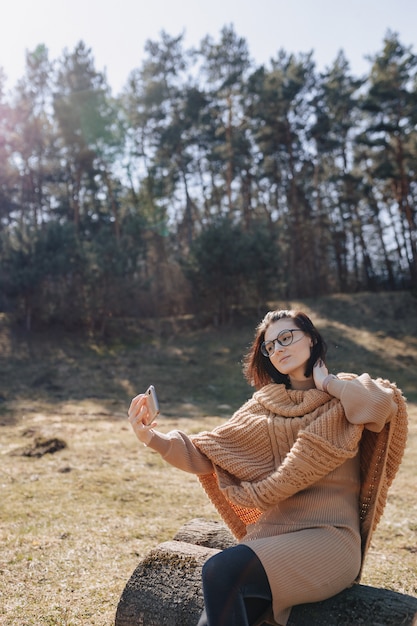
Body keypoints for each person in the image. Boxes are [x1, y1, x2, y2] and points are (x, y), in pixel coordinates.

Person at [128, 309, 408, 626]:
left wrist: (327, 382)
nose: (277, 349)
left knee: (220, 569)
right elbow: (206, 453)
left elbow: (382, 407)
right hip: (269, 540)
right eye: (270, 346)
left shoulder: (345, 393)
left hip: (329, 543)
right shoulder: (263, 407)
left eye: (286, 338)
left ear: (312, 339)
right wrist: (150, 436)